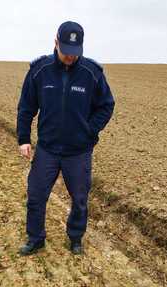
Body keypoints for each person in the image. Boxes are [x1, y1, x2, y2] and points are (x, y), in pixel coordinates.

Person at [17, 21, 115, 255]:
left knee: (80, 199)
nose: (70, 57)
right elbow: (26, 107)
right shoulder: (40, 70)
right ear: (55, 43)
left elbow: (106, 105)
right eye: (65, 52)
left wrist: (89, 130)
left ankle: (75, 238)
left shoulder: (91, 73)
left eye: (75, 53)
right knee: (36, 196)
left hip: (78, 151)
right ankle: (36, 238)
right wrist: (23, 138)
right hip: (47, 149)